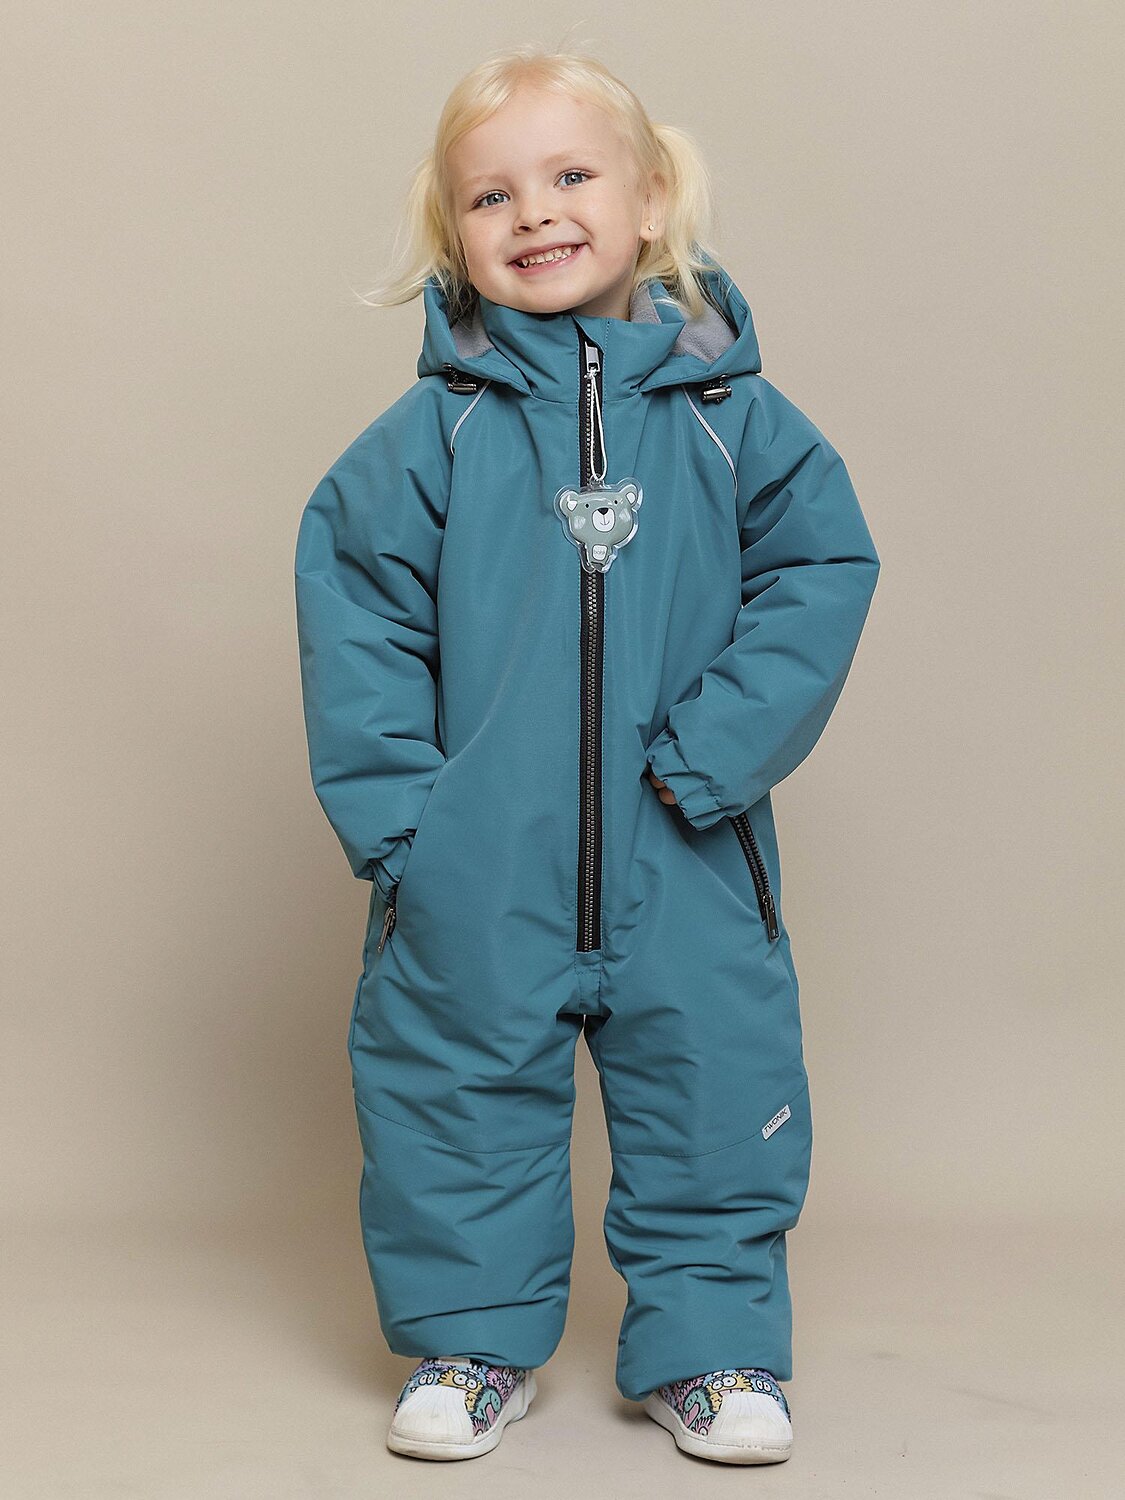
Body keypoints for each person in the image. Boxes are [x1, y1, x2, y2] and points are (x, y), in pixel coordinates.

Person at [294, 43, 881, 1466]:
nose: (535, 212)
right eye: (490, 195)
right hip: (476, 859)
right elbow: (357, 614)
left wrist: (714, 754)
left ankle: (713, 1352)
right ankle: (470, 1343)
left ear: (651, 197)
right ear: (455, 237)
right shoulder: (428, 439)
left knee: (713, 1089)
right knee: (451, 1099)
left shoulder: (738, 424)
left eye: (570, 175)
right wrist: (406, 829)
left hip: (687, 851)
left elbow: (820, 573)